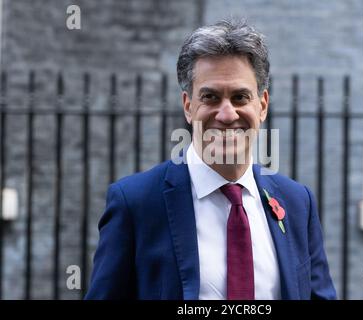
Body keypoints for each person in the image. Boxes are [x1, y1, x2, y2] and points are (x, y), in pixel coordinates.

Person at [85, 19, 336, 300]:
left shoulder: (297, 202)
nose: (227, 114)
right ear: (188, 106)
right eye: (211, 97)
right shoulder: (135, 202)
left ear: (262, 105)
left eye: (240, 97)